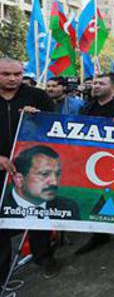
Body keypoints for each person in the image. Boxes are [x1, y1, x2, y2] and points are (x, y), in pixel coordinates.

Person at [0, 57, 60, 283]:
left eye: (17, 74)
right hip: (1, 167)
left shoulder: (37, 96)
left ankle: (43, 256)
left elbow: (55, 128)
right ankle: (3, 268)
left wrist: (38, 118)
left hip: (32, 168)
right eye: (6, 74)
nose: (13, 79)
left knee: (36, 213)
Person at [75, 74, 114, 257]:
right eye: (95, 83)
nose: (96, 86)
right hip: (92, 160)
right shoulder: (86, 108)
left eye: (101, 83)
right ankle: (99, 235)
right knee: (95, 197)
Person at [1, 146, 79, 219]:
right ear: (19, 180)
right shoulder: (2, 205)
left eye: (58, 174)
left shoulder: (67, 207)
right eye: (44, 174)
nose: (54, 182)